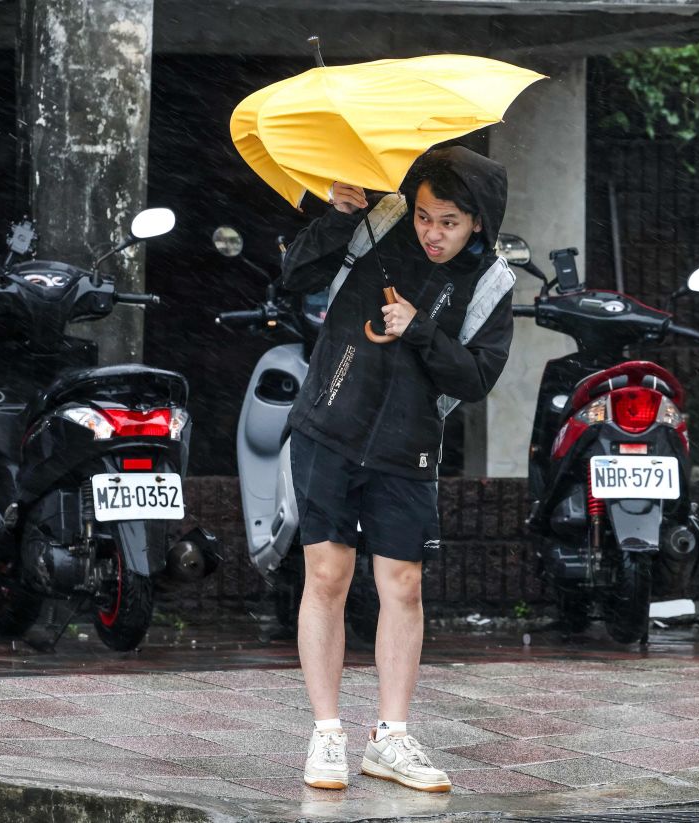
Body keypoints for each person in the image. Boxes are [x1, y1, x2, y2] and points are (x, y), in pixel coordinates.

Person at [279, 146, 515, 792]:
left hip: (408, 446)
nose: (431, 232)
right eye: (425, 216)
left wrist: (419, 330)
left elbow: (474, 377)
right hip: (328, 425)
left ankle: (391, 735)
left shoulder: (491, 282)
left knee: (403, 584)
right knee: (327, 573)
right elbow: (292, 278)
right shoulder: (375, 221)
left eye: (449, 222)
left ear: (478, 225)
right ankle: (327, 732)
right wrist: (333, 217)